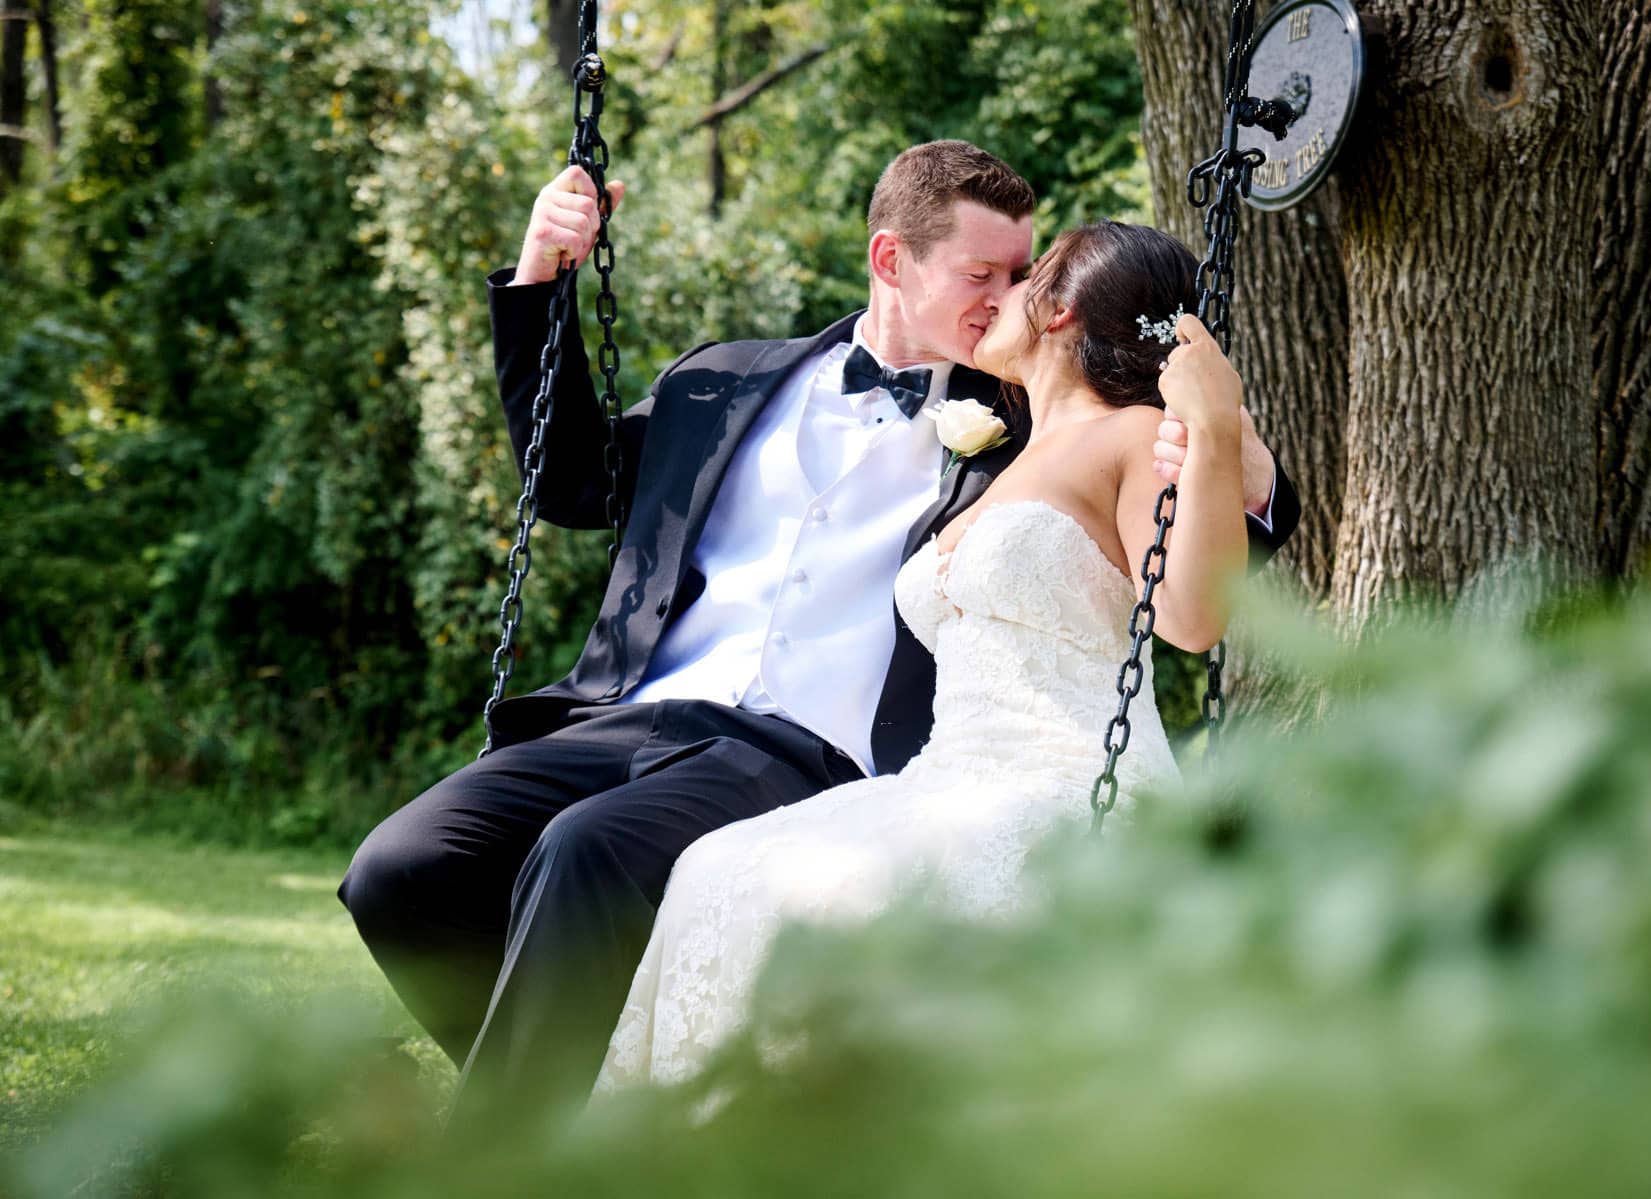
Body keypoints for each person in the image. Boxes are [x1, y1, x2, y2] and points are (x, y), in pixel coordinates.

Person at [336, 140, 1300, 1137]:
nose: (1007, 295)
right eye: (984, 273)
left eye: (1023, 274)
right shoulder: (719, 383)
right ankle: (570, 1093)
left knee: (588, 855)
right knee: (401, 871)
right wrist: (542, 276)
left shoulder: (1029, 427)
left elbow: (1158, 547)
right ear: (892, 260)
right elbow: (571, 478)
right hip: (627, 719)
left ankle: (499, 1160)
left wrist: (1245, 467)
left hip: (802, 751)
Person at [595, 219, 1247, 1095]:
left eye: (1023, 277)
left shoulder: (1131, 437)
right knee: (718, 872)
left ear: (1058, 310)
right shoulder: (1011, 456)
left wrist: (1215, 432)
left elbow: (1193, 619)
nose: (997, 298)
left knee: (842, 904)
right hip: (947, 776)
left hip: (1064, 778)